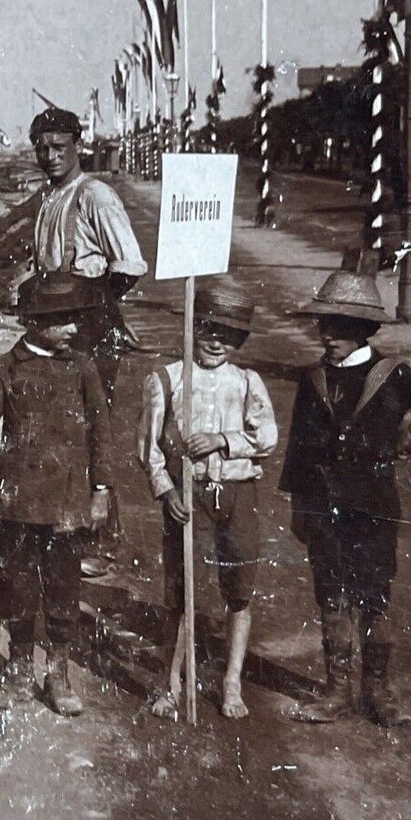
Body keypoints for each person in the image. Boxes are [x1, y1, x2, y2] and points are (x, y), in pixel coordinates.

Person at [280, 257, 411, 726]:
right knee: (331, 595)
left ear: (364, 329)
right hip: (324, 508)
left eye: (340, 327)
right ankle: (336, 689)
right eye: (325, 325)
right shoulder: (314, 379)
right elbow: (299, 448)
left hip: (374, 507)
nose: (328, 335)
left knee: (375, 594)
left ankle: (378, 689)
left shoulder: (396, 377)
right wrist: (298, 506)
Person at [0, 273, 115, 716]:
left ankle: (58, 674)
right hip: (17, 502)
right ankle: (17, 670)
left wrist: (101, 489)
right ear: (34, 323)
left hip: (67, 505)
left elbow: (101, 433)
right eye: (63, 321)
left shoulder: (82, 367)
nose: (73, 329)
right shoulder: (3, 371)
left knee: (63, 587)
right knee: (15, 586)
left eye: (75, 320)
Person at [138, 282, 278, 720]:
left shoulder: (247, 382)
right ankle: (172, 682)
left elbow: (266, 438)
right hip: (189, 495)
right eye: (208, 329)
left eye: (228, 334)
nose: (216, 341)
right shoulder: (166, 379)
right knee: (183, 589)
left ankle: (231, 680)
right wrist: (166, 490)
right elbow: (147, 447)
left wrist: (223, 440)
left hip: (236, 493)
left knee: (239, 588)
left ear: (239, 341)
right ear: (192, 327)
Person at [29, 105, 147, 405]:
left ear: (77, 146)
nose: (50, 157)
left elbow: (130, 266)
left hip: (88, 327)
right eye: (42, 149)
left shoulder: (95, 196)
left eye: (59, 147)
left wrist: (102, 313)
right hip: (55, 320)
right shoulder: (51, 196)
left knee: (91, 415)